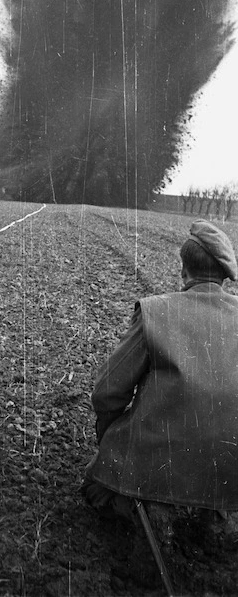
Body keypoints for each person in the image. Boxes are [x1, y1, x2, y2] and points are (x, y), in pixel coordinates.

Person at [82, 218, 238, 551]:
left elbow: (107, 391)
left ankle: (153, 510)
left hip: (160, 457)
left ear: (184, 271)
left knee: (94, 488)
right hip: (230, 462)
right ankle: (216, 514)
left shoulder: (156, 311)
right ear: (225, 275)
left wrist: (109, 438)